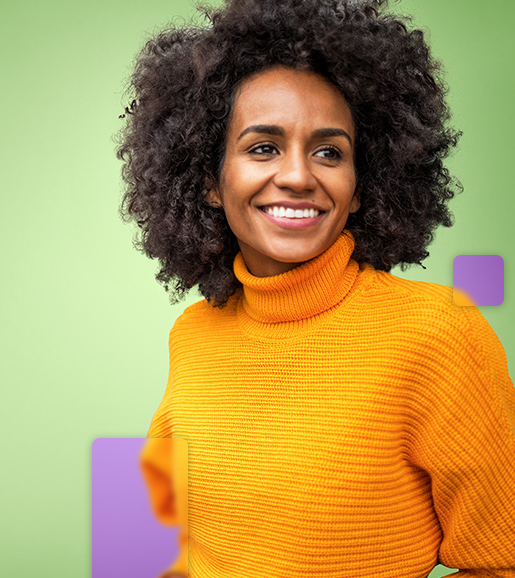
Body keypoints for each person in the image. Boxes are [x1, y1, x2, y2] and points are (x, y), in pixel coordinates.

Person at [115, 0, 515, 576]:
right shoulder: (194, 334)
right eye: (263, 147)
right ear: (209, 180)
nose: (299, 176)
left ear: (360, 186)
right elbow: (162, 543)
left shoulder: (437, 336)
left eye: (330, 152)